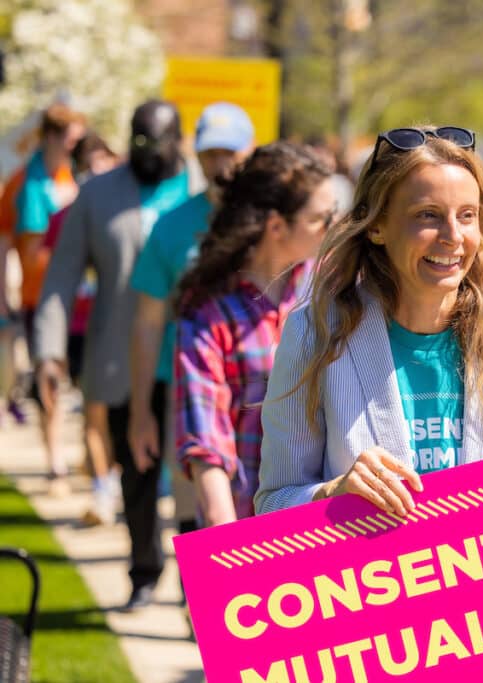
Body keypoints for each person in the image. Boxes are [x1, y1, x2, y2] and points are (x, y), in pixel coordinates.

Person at [255, 125, 483, 515]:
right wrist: (332, 494)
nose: (453, 236)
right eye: (428, 215)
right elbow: (273, 503)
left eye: (467, 216)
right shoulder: (315, 334)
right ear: (376, 226)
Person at [35, 100, 204, 611]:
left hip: (193, 359)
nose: (146, 152)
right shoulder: (98, 195)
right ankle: (145, 572)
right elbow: (61, 277)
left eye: (157, 142)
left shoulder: (205, 191)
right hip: (121, 356)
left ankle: (204, 595)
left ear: (179, 139)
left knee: (196, 479)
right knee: (136, 474)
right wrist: (48, 350)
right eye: (138, 141)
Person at [176, 143, 333, 526]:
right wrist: (230, 551)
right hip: (245, 527)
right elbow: (206, 445)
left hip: (331, 525)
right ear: (277, 226)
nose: (333, 228)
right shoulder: (209, 313)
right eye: (321, 219)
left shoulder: (334, 287)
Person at [128, 102, 254, 540]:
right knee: (198, 521)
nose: (220, 165)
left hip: (266, 396)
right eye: (210, 154)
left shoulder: (274, 225)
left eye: (229, 153)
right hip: (191, 395)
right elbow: (146, 322)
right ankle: (192, 603)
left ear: (249, 152)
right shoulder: (172, 227)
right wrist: (142, 410)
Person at [0, 103, 87, 495]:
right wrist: (3, 297)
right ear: (52, 136)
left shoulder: (75, 180)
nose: (75, 146)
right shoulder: (21, 184)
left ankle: (88, 457)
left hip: (80, 299)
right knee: (48, 379)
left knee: (82, 381)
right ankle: (56, 463)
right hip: (38, 299)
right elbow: (3, 246)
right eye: (71, 138)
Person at [42, 131, 121, 525]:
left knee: (114, 413)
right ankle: (103, 489)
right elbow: (54, 272)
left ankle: (109, 481)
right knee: (94, 413)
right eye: (89, 163)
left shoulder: (132, 213)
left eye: (105, 160)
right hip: (80, 328)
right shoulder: (65, 216)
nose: (98, 170)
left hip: (118, 327)